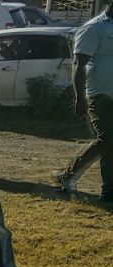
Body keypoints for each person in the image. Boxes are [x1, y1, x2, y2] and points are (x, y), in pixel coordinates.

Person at [58, 4, 113, 201]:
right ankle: (70, 176)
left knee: (108, 142)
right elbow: (78, 64)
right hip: (100, 95)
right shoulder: (94, 28)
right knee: (108, 139)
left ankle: (108, 191)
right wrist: (80, 97)